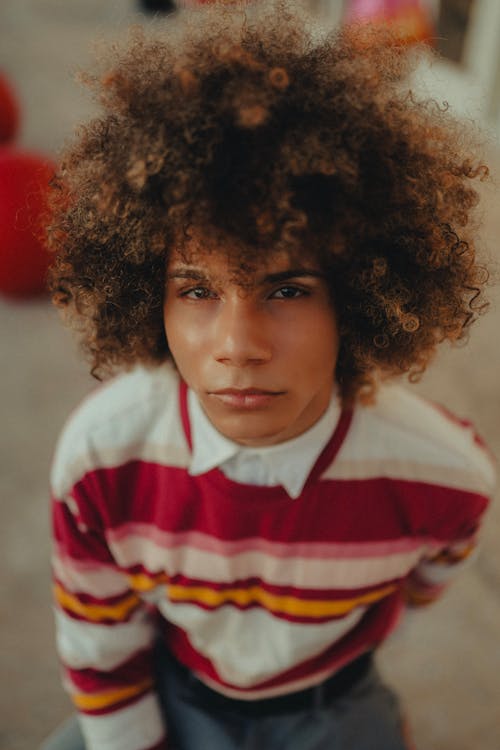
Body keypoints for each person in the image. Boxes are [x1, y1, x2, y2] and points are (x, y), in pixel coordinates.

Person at [42, 2, 496, 749]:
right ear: (147, 297)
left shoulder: (444, 475)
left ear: (358, 295)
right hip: (167, 688)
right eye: (196, 290)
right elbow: (99, 648)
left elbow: (420, 589)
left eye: (286, 289)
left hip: (334, 702)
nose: (238, 345)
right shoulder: (104, 458)